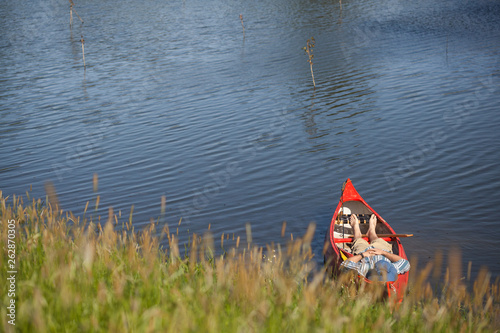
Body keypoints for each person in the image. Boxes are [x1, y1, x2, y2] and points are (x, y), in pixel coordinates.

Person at [340, 214, 410, 282]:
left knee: (358, 241)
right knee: (377, 240)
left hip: (364, 252)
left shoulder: (365, 269)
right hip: (382, 251)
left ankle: (356, 230)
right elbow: (405, 263)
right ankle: (372, 231)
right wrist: (383, 252)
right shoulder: (392, 268)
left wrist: (363, 255)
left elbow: (344, 265)